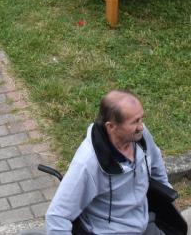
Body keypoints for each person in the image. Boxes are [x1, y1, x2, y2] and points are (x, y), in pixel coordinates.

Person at [45, 90, 176, 234]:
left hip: (143, 223)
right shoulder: (87, 164)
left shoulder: (139, 135)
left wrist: (166, 196)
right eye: (134, 122)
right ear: (111, 126)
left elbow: (155, 160)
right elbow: (57, 216)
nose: (141, 126)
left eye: (141, 119)